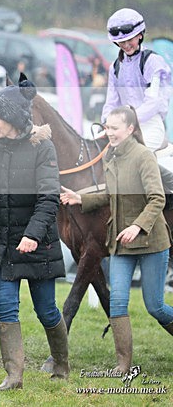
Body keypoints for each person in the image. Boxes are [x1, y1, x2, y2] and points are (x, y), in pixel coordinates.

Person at [61, 106, 173, 373]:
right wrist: (81, 199)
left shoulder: (144, 156)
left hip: (152, 243)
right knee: (118, 303)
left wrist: (137, 226)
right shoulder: (111, 156)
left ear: (130, 129)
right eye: (106, 127)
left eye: (114, 128)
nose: (108, 132)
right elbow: (110, 195)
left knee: (155, 307)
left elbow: (157, 198)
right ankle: (123, 365)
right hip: (122, 243)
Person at [0, 76, 69, 390]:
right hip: (0, 244)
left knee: (46, 310)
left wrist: (32, 235)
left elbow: (49, 198)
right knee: (5, 306)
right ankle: (13, 377)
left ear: (13, 118)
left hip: (37, 244)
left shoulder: (43, 147)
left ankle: (61, 364)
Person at [102, 8, 171, 151]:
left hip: (150, 125)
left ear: (140, 35)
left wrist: (126, 121)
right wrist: (106, 121)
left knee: (133, 154)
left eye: (129, 40)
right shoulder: (115, 67)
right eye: (121, 42)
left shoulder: (152, 62)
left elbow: (153, 102)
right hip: (122, 127)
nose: (126, 45)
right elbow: (111, 102)